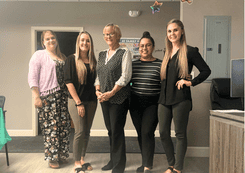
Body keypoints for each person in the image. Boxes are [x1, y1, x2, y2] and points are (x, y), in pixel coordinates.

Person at [158, 19, 211, 173]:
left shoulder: (190, 51)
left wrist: (191, 82)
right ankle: (171, 163)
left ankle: (178, 168)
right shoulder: (166, 52)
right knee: (162, 132)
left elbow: (206, 71)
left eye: (175, 30)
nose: (172, 34)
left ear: (181, 31)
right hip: (164, 99)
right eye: (169, 31)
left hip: (181, 98)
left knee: (180, 134)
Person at [28, 30, 71, 169]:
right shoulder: (39, 55)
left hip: (63, 97)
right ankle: (52, 158)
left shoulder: (62, 57)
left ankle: (62, 155)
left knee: (63, 127)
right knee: (51, 129)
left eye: (53, 38)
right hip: (48, 97)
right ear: (43, 42)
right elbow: (32, 77)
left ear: (56, 40)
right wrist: (36, 96)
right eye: (47, 39)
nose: (51, 40)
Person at [94, 23, 132, 173]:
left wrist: (112, 92)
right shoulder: (102, 54)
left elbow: (126, 76)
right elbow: (99, 75)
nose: (107, 37)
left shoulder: (124, 52)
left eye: (110, 34)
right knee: (110, 131)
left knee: (116, 130)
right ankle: (113, 160)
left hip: (119, 98)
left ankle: (119, 165)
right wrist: (98, 91)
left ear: (118, 35)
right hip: (104, 99)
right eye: (105, 34)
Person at [64, 31, 97, 173]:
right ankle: (76, 163)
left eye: (87, 40)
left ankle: (82, 158)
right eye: (82, 40)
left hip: (92, 101)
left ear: (91, 44)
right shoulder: (71, 60)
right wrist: (78, 102)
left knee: (87, 132)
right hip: (76, 101)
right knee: (80, 131)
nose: (85, 43)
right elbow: (68, 82)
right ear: (78, 42)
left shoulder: (94, 61)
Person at [129, 31, 161, 173]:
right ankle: (146, 161)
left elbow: (164, 85)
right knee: (140, 133)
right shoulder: (133, 65)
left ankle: (147, 166)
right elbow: (127, 83)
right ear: (138, 48)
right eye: (142, 46)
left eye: (148, 45)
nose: (144, 48)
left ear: (153, 47)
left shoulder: (160, 64)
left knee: (147, 132)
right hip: (135, 103)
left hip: (152, 103)